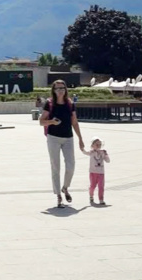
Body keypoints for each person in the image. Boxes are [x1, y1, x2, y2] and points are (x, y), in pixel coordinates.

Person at [39, 80, 85, 208]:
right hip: (53, 138)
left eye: (62, 88)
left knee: (71, 165)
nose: (60, 90)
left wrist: (80, 139)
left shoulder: (70, 104)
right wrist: (52, 122)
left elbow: (74, 122)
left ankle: (65, 187)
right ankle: (58, 194)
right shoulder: (49, 104)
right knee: (55, 167)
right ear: (53, 90)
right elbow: (41, 122)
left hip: (68, 138)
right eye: (58, 88)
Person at [81, 138, 110, 206]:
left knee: (101, 186)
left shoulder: (103, 152)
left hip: (101, 173)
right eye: (97, 144)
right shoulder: (91, 152)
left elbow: (108, 161)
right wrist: (82, 148)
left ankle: (101, 199)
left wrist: (106, 154)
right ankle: (91, 196)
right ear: (92, 145)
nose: (98, 145)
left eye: (100, 144)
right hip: (93, 172)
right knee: (92, 186)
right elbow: (85, 152)